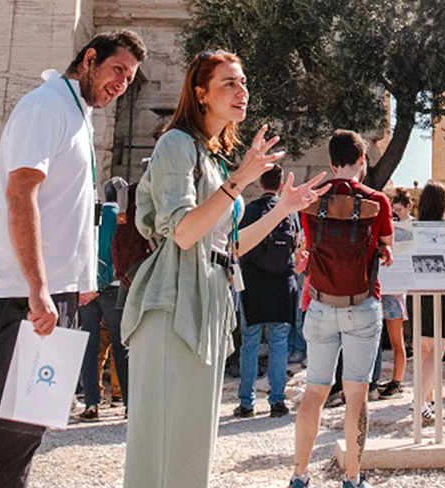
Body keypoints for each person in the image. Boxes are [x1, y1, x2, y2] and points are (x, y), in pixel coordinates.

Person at [122, 49, 324, 488]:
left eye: (243, 81)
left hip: (212, 297)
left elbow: (232, 247)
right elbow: (182, 232)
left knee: (194, 435)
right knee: (162, 434)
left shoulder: (213, 160)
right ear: (201, 94)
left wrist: (280, 210)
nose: (241, 91)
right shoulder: (176, 143)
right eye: (228, 83)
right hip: (173, 299)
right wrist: (241, 181)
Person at [0, 29, 144, 488]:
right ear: (89, 59)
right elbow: (21, 193)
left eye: (129, 78)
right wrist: (37, 288)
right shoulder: (46, 106)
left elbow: (70, 206)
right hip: (27, 289)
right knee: (17, 417)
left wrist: (83, 276)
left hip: (57, 286)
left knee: (34, 414)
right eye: (117, 70)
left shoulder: (76, 113)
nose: (122, 83)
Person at [288, 129, 393, 488]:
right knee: (356, 396)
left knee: (315, 392)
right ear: (362, 160)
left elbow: (307, 245)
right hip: (362, 305)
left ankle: (299, 474)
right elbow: (386, 246)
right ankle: (353, 477)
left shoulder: (312, 200)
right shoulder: (377, 200)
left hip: (319, 304)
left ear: (331, 162)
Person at [234, 165, 301, 419]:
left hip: (253, 284)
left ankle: (247, 403)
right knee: (279, 343)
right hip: (283, 283)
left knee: (249, 344)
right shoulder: (288, 212)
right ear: (282, 185)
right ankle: (277, 401)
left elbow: (239, 245)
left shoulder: (250, 210)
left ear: (260, 183)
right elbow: (295, 247)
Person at [76, 180, 129, 422]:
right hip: (114, 288)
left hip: (88, 287)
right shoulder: (122, 216)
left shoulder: (91, 215)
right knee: (121, 346)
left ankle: (91, 404)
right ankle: (128, 402)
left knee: (90, 346)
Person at [411, 180, 445, 425]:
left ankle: (427, 398)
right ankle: (420, 400)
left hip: (417, 290)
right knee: (437, 348)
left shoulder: (413, 228)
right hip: (442, 290)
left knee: (422, 348)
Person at [375, 187, 411, 399]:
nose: (395, 214)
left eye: (398, 210)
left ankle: (398, 380)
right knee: (376, 339)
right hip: (382, 286)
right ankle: (378, 378)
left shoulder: (409, 228)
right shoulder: (386, 227)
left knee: (396, 339)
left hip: (396, 290)